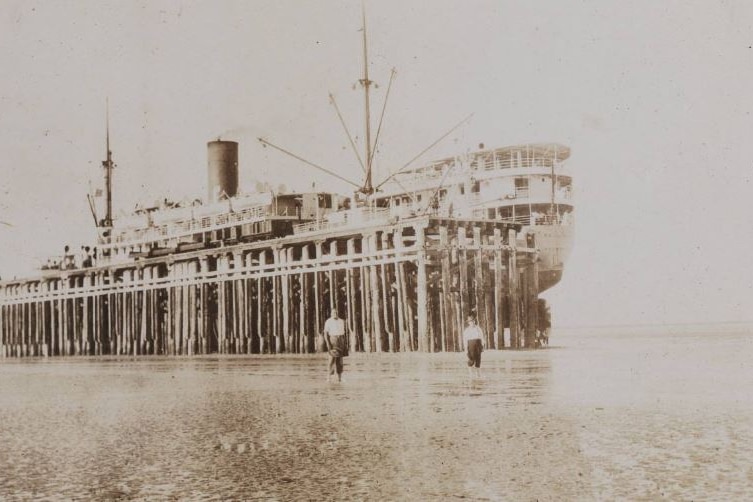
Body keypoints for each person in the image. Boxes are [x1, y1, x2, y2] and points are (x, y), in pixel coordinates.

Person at [323, 309, 347, 382]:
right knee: (331, 359)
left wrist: (344, 343)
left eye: (336, 312)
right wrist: (328, 343)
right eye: (333, 312)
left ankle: (339, 377)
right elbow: (325, 333)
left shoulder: (341, 321)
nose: (335, 314)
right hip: (333, 340)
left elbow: (343, 333)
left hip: (341, 340)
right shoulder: (328, 321)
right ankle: (328, 377)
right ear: (331, 313)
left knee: (340, 361)